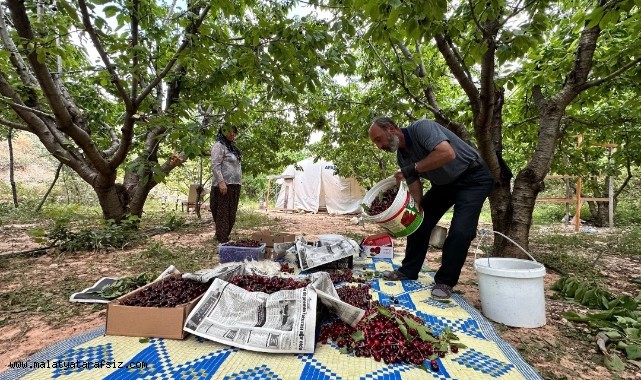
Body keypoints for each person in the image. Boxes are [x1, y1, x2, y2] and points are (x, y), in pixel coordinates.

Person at [368, 117, 494, 299]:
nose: (379, 146)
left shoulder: (422, 128)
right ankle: (408, 270)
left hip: (473, 178)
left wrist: (412, 168)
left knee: (461, 231)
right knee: (419, 222)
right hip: (444, 185)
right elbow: (415, 189)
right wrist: (411, 212)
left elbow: (447, 153)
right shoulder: (402, 157)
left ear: (390, 129)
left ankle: (445, 281)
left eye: (379, 139)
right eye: (376, 143)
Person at [210, 125, 242, 243]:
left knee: (231, 214)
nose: (232, 134)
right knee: (222, 213)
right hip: (224, 185)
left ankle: (224, 236)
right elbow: (215, 165)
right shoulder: (219, 146)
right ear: (223, 132)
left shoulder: (232, 148)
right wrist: (221, 182)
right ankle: (222, 239)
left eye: (234, 132)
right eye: (229, 131)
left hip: (235, 185)